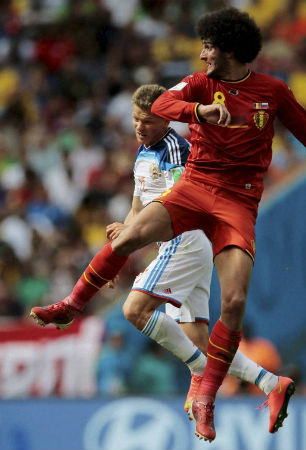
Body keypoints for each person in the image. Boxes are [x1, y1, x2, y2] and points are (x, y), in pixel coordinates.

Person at [31, 7, 306, 442]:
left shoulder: (273, 92)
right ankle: (72, 306)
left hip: (238, 203)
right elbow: (163, 103)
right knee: (130, 238)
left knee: (235, 302)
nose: (202, 54)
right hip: (195, 187)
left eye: (208, 47)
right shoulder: (199, 84)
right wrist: (200, 112)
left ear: (230, 51)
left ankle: (206, 398)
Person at [103, 84, 284, 415]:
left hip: (183, 241)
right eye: (135, 119)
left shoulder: (177, 151)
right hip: (183, 245)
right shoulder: (143, 154)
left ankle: (200, 373)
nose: (139, 126)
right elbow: (137, 210)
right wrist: (119, 251)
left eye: (147, 120)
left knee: (135, 310)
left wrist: (128, 236)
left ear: (166, 118)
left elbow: (176, 208)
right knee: (197, 340)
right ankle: (271, 382)